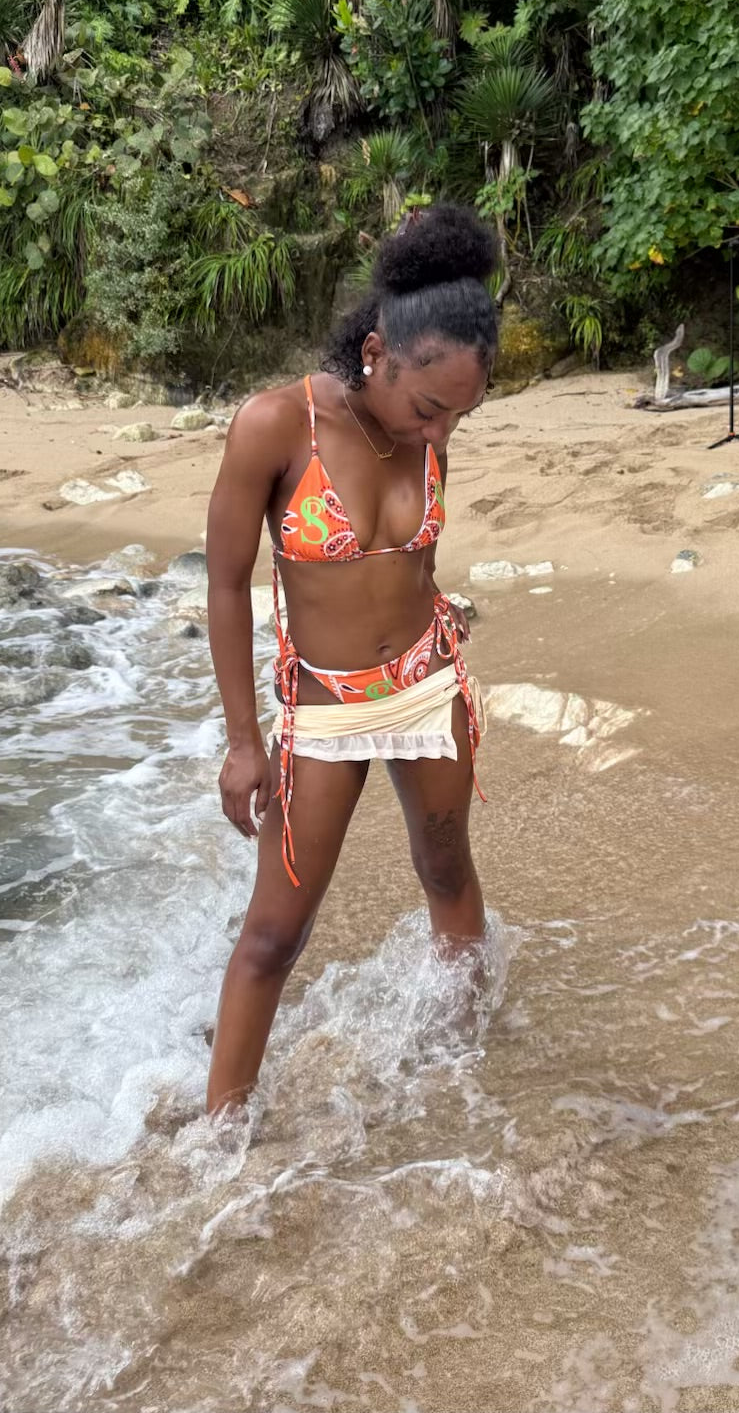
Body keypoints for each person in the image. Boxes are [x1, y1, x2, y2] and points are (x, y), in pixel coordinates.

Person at [203, 204, 498, 1114]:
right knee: (274, 934)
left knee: (447, 872)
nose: (440, 433)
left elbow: (414, 565)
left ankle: (467, 1059)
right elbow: (224, 587)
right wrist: (245, 742)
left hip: (426, 685)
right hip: (324, 712)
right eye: (428, 407)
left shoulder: (427, 426)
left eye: (461, 413)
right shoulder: (274, 427)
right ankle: (218, 1139)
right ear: (376, 354)